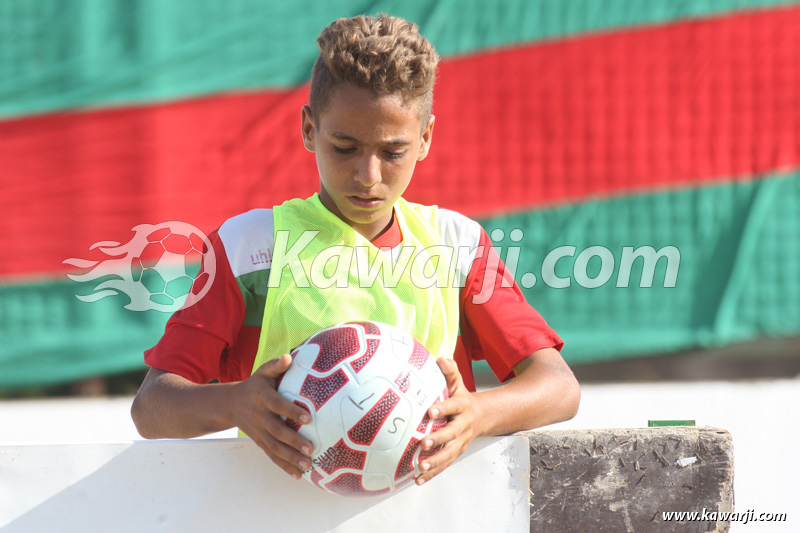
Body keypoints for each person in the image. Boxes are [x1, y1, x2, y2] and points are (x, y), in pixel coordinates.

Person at [131, 13, 580, 487]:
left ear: (425, 138)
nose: (369, 176)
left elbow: (559, 387)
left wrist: (479, 412)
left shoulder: (457, 244)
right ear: (309, 129)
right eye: (345, 147)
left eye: (393, 152)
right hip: (274, 512)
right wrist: (237, 402)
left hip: (434, 514)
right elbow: (152, 408)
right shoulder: (250, 246)